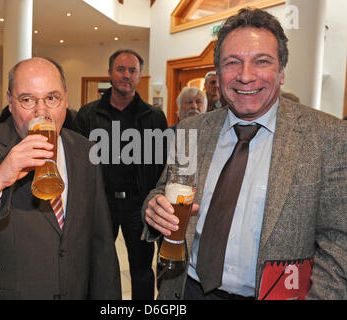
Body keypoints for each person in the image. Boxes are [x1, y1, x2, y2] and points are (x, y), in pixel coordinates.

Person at [142, 8, 347, 300]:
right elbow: (165, 189)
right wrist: (153, 206)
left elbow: (339, 243)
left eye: (261, 61)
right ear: (217, 72)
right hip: (187, 289)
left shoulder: (329, 137)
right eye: (232, 62)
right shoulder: (192, 131)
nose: (245, 76)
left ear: (281, 70)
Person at [0, 57, 121, 299]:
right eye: (27, 100)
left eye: (52, 98)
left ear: (65, 99)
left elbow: (101, 247)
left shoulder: (85, 151)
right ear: (10, 102)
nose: (42, 112)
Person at [75, 49, 168, 300]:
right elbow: (78, 163)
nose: (126, 75)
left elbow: (163, 165)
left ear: (139, 76)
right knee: (99, 266)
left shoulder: (154, 117)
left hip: (140, 205)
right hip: (100, 203)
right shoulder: (88, 115)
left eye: (132, 70)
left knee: (141, 270)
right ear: (109, 73)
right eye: (120, 69)